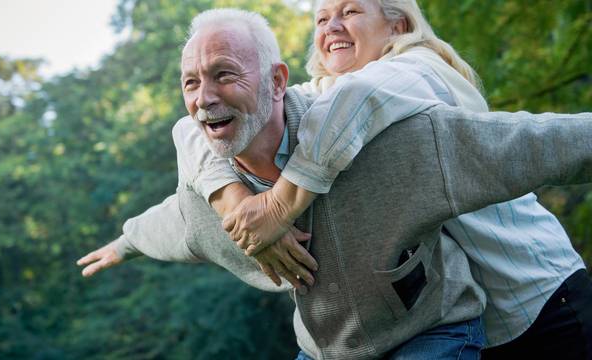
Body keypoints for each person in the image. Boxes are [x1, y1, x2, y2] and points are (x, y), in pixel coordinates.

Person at [77, 7, 592, 360]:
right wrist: (135, 235)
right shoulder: (304, 104)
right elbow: (177, 210)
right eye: (322, 16)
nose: (332, 24)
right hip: (382, 339)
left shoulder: (406, 85)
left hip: (538, 297)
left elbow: (534, 141)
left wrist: (279, 206)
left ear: (397, 23)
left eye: (350, 10)